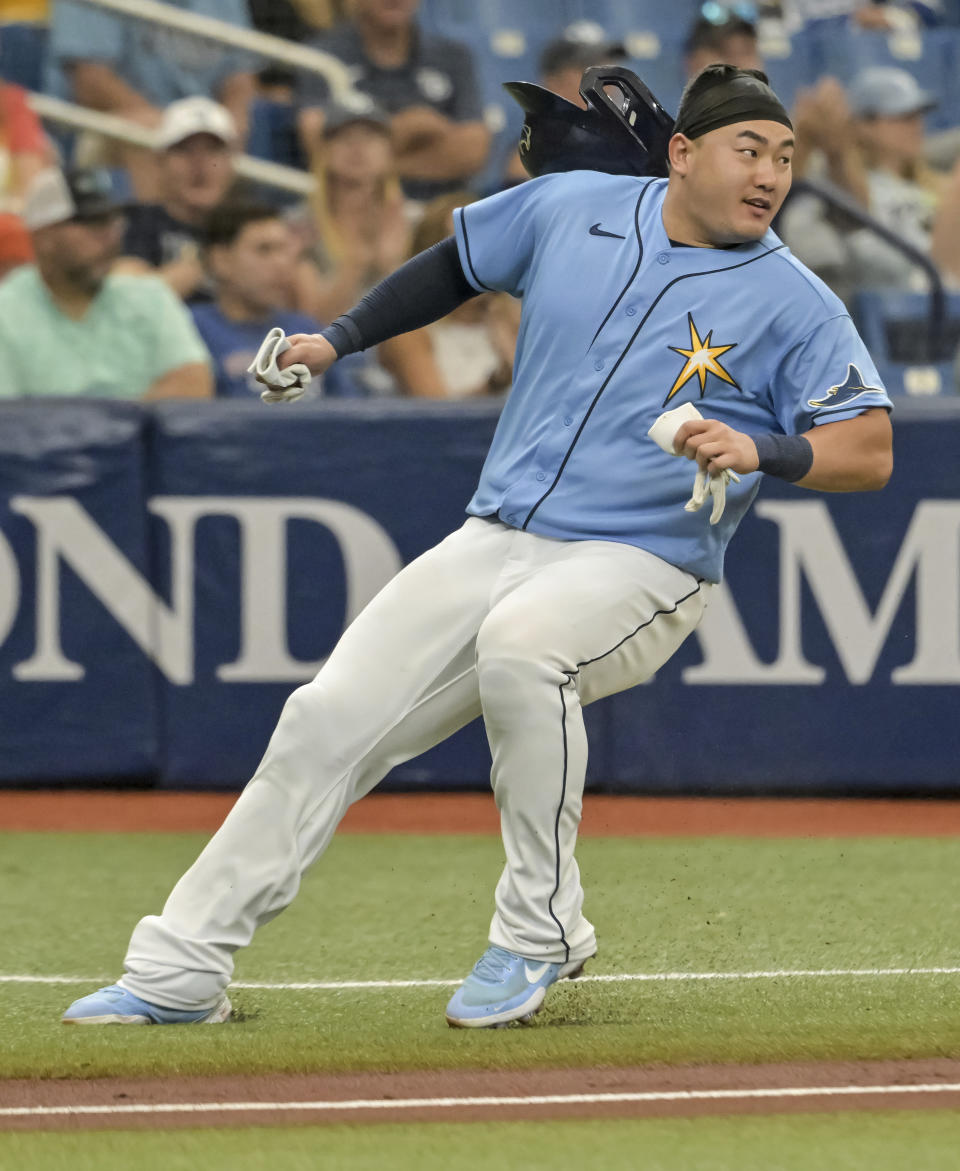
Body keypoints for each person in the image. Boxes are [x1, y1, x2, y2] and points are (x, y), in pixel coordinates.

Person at [62, 65, 892, 1030]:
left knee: (525, 647)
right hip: (496, 534)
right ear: (682, 153)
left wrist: (766, 447)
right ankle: (180, 970)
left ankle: (538, 929)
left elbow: (868, 449)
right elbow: (455, 264)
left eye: (785, 156)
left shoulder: (795, 299)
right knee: (324, 717)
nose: (771, 173)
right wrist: (337, 341)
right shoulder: (573, 204)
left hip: (643, 562)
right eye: (749, 148)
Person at [0, 167, 211, 400]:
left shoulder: (149, 296)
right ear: (44, 236)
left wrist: (110, 429)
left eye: (113, 221)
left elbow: (193, 386)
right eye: (91, 223)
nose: (109, 236)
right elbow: (9, 420)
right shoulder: (7, 310)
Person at [785, 66, 960, 298]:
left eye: (919, 116)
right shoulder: (845, 182)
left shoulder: (939, 183)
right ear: (864, 125)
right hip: (901, 292)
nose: (917, 126)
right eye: (904, 117)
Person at [296, 0, 490, 201]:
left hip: (437, 211)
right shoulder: (323, 54)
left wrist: (375, 163)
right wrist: (411, 128)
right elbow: (317, 142)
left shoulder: (453, 55)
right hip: (353, 204)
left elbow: (473, 151)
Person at [191, 200, 359, 399]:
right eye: (264, 250)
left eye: (284, 250)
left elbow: (348, 410)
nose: (281, 263)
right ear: (221, 260)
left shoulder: (306, 329)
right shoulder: (190, 331)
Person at [379, 192, 517, 398]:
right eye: (463, 249)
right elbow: (439, 417)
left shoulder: (516, 319)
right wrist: (497, 381)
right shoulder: (410, 332)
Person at [290, 97, 410, 324]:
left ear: (389, 151)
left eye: (370, 137)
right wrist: (355, 265)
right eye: (344, 137)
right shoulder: (298, 226)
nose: (357, 147)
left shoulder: (414, 222)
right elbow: (310, 324)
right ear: (323, 149)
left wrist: (390, 265)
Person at [115, 97, 239, 303]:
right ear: (159, 162)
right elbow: (121, 296)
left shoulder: (248, 231)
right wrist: (182, 277)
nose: (200, 165)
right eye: (184, 150)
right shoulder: (134, 223)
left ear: (231, 165)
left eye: (213, 151)